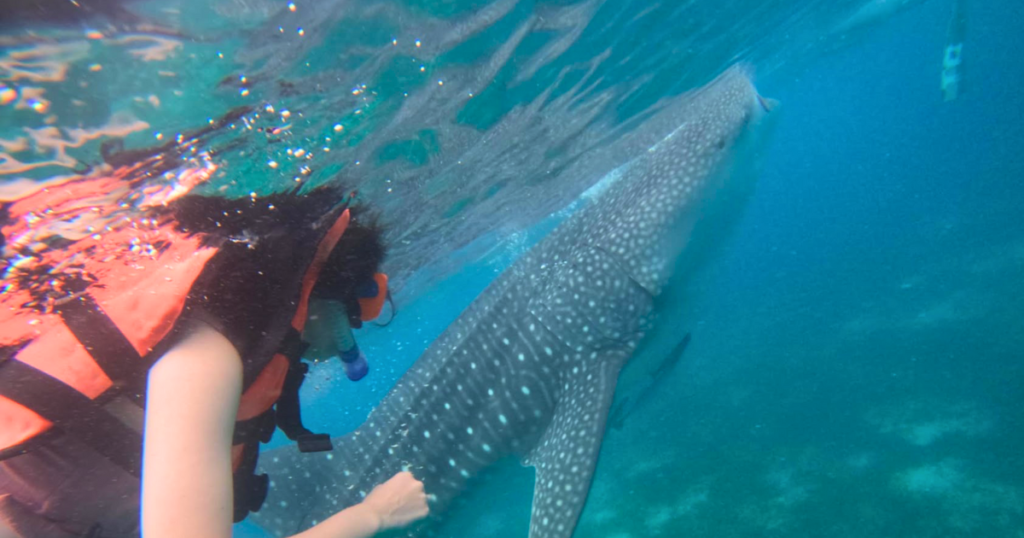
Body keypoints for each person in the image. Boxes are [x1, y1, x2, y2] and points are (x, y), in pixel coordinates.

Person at [0, 162, 429, 537]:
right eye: (353, 316)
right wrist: (374, 515)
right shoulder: (205, 354)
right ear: (314, 292)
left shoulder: (210, 345)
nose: (347, 339)